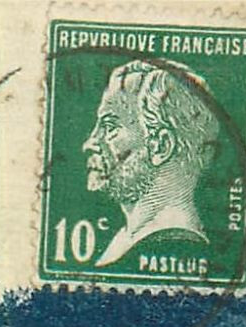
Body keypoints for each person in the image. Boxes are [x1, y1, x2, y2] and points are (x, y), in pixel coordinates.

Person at [81, 58, 218, 267]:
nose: (89, 144)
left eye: (110, 126)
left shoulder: (173, 246)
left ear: (160, 146)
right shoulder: (127, 240)